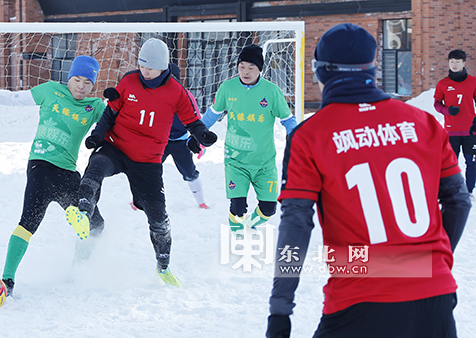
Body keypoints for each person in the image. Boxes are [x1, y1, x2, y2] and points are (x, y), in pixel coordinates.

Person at [267, 23, 471, 338]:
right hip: (435, 296)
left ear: (321, 72)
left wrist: (280, 311)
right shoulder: (425, 123)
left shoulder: (310, 136)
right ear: (373, 69)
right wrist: (432, 262)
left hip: (360, 300)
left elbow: (295, 224)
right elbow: (458, 201)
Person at [65, 38, 217, 287]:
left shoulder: (177, 92)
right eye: (142, 65)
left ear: (163, 67)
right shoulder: (129, 81)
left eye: (150, 68)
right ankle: (83, 212)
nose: (145, 71)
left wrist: (203, 136)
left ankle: (163, 266)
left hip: (148, 160)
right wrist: (97, 135)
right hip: (116, 146)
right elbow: (110, 113)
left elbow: (193, 122)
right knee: (96, 166)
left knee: (158, 215)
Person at [0, 55, 106, 296]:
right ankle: (7, 280)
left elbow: (118, 122)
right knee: (27, 223)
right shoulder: (49, 90)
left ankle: (76, 272)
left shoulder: (95, 107)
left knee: (97, 225)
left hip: (68, 173)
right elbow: (14, 99)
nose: (81, 85)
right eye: (77, 79)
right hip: (41, 168)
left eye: (87, 82)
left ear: (93, 85)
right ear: (69, 78)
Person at [198, 44, 297, 233]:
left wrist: (297, 136)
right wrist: (197, 134)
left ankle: (249, 226)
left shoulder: (272, 91)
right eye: (242, 66)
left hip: (264, 163)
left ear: (260, 69)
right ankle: (237, 239)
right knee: (237, 209)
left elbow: (287, 120)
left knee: (269, 209)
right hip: (236, 160)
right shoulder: (227, 88)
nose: (246, 71)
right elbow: (212, 113)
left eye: (251, 67)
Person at [130, 62, 209, 211]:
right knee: (148, 169)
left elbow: (196, 122)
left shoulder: (186, 96)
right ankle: (138, 200)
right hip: (161, 141)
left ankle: (201, 202)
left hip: (181, 142)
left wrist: (200, 142)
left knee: (190, 173)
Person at [434, 49, 476, 194]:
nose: (454, 65)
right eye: (451, 62)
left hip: (470, 131)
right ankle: (453, 191)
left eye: (457, 62)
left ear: (464, 63)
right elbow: (437, 104)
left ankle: (469, 191)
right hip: (451, 132)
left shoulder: (473, 82)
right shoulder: (443, 84)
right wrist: (447, 111)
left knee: (472, 162)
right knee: (451, 164)